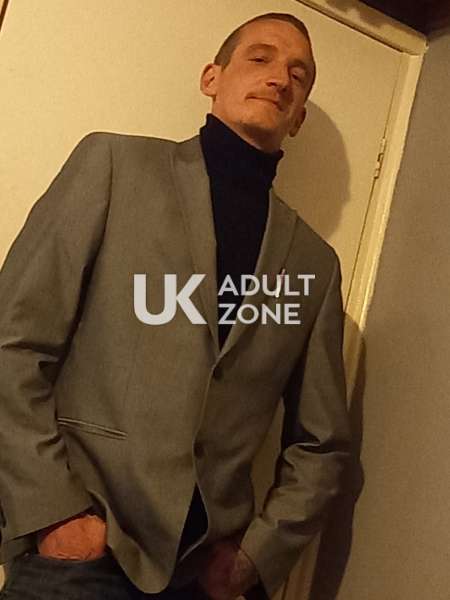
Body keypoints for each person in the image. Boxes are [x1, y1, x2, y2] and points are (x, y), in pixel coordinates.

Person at [0, 11, 351, 600]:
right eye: (260, 58)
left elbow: (321, 443)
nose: (279, 79)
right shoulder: (114, 167)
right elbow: (12, 342)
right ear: (211, 77)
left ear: (299, 118)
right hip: (77, 556)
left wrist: (254, 558)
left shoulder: (315, 265)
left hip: (199, 577)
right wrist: (52, 511)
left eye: (299, 75)